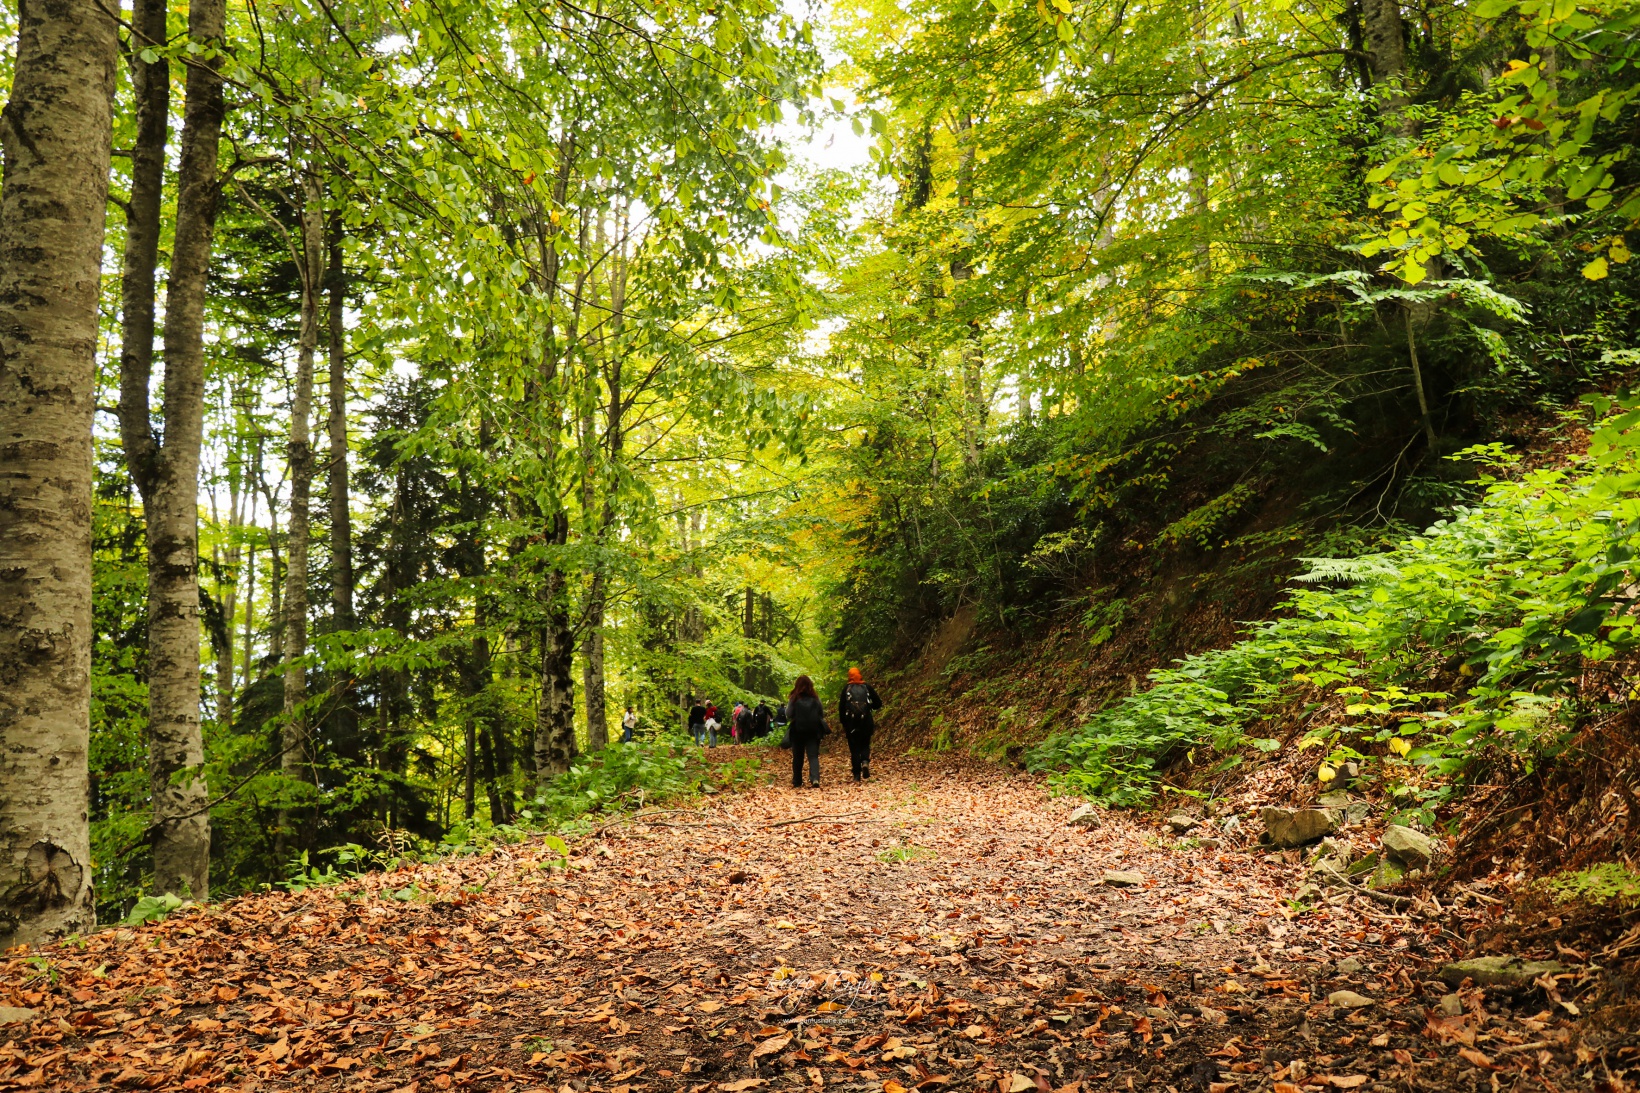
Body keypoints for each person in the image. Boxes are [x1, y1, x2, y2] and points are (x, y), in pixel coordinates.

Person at [837, 667, 884, 783]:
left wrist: (844, 723)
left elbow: (841, 708)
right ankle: (865, 762)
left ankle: (856, 775)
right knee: (865, 744)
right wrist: (869, 707)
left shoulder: (846, 689)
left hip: (851, 724)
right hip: (866, 722)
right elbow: (878, 703)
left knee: (854, 749)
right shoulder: (867, 687)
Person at [786, 675, 828, 788]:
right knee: (813, 756)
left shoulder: (794, 698)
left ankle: (797, 781)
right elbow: (821, 713)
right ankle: (815, 778)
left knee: (798, 756)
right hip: (813, 731)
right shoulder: (815, 698)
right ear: (810, 685)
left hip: (797, 731)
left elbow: (788, 713)